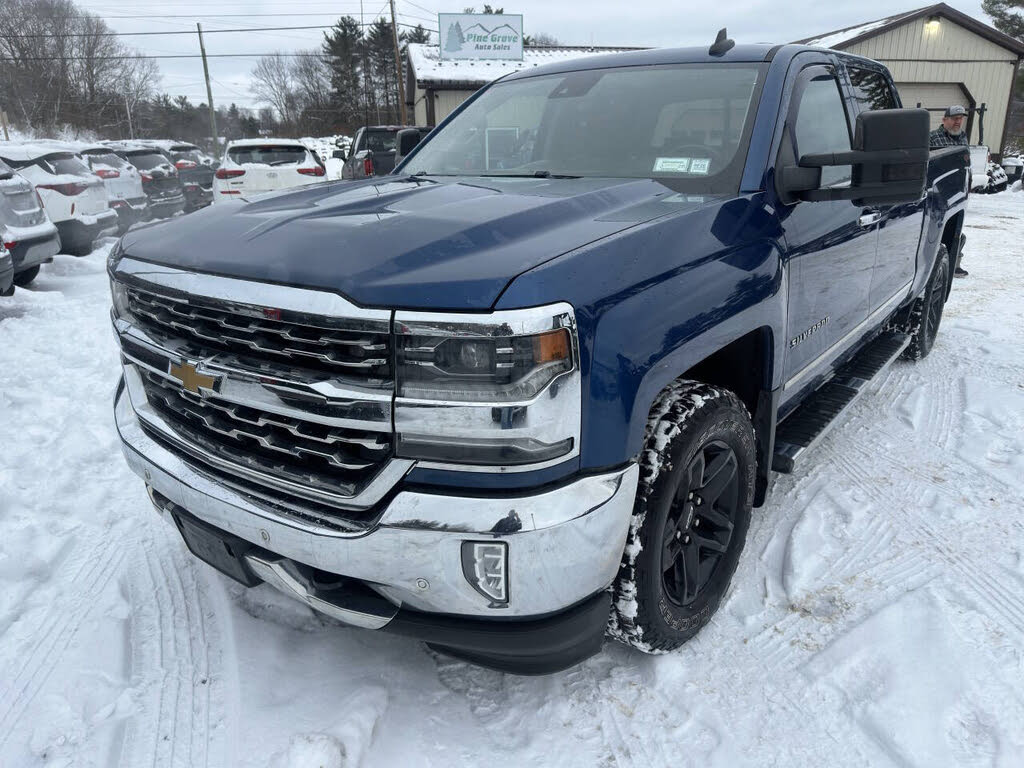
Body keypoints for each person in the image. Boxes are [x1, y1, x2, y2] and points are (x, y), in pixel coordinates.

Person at [929, 105, 970, 277]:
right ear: (944, 120)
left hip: (957, 192)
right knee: (937, 229)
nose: (958, 122)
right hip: (938, 193)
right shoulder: (932, 138)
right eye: (954, 118)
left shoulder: (963, 138)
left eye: (960, 118)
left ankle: (953, 263)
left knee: (956, 229)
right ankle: (933, 264)